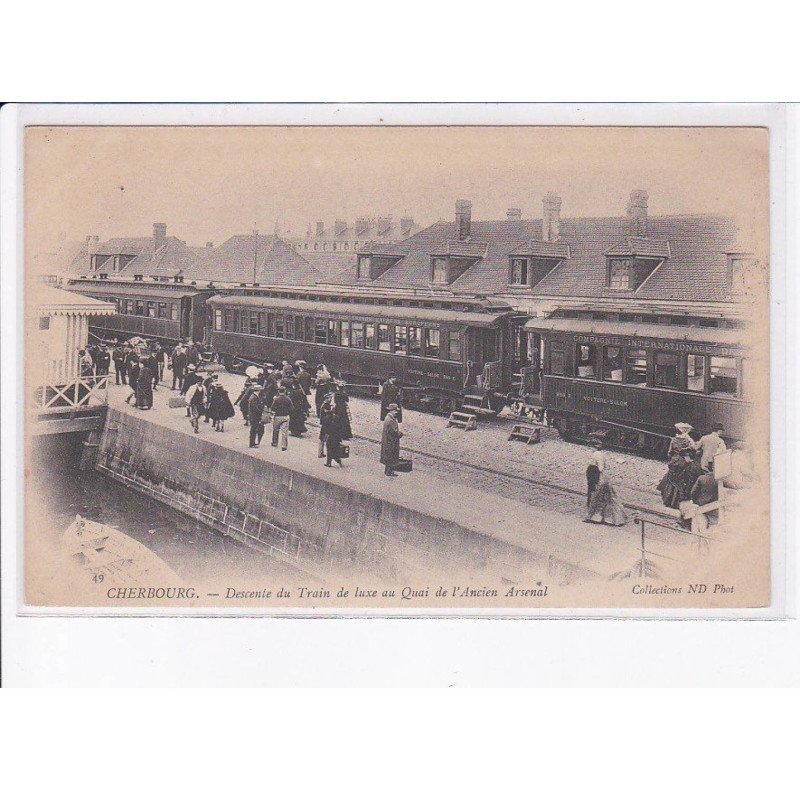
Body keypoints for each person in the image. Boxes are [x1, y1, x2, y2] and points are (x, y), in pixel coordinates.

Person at [380, 403, 403, 477]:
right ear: (392, 411)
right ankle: (389, 472)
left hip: (388, 440)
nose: (396, 412)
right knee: (391, 456)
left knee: (388, 456)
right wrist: (400, 434)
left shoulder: (388, 418)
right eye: (395, 411)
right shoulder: (391, 420)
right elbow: (394, 432)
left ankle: (387, 471)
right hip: (391, 441)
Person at [325, 399, 347, 468]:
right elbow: (341, 427)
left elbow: (326, 426)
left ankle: (329, 463)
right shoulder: (338, 417)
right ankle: (338, 461)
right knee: (335, 448)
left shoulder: (328, 417)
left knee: (329, 449)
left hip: (331, 436)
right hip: (337, 436)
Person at [585, 438, 605, 506]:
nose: (590, 449)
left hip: (593, 471)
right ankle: (591, 501)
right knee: (593, 486)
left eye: (591, 447)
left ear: (595, 447)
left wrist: (601, 472)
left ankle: (591, 502)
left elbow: (600, 466)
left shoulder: (597, 454)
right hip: (593, 470)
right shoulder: (597, 453)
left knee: (592, 486)